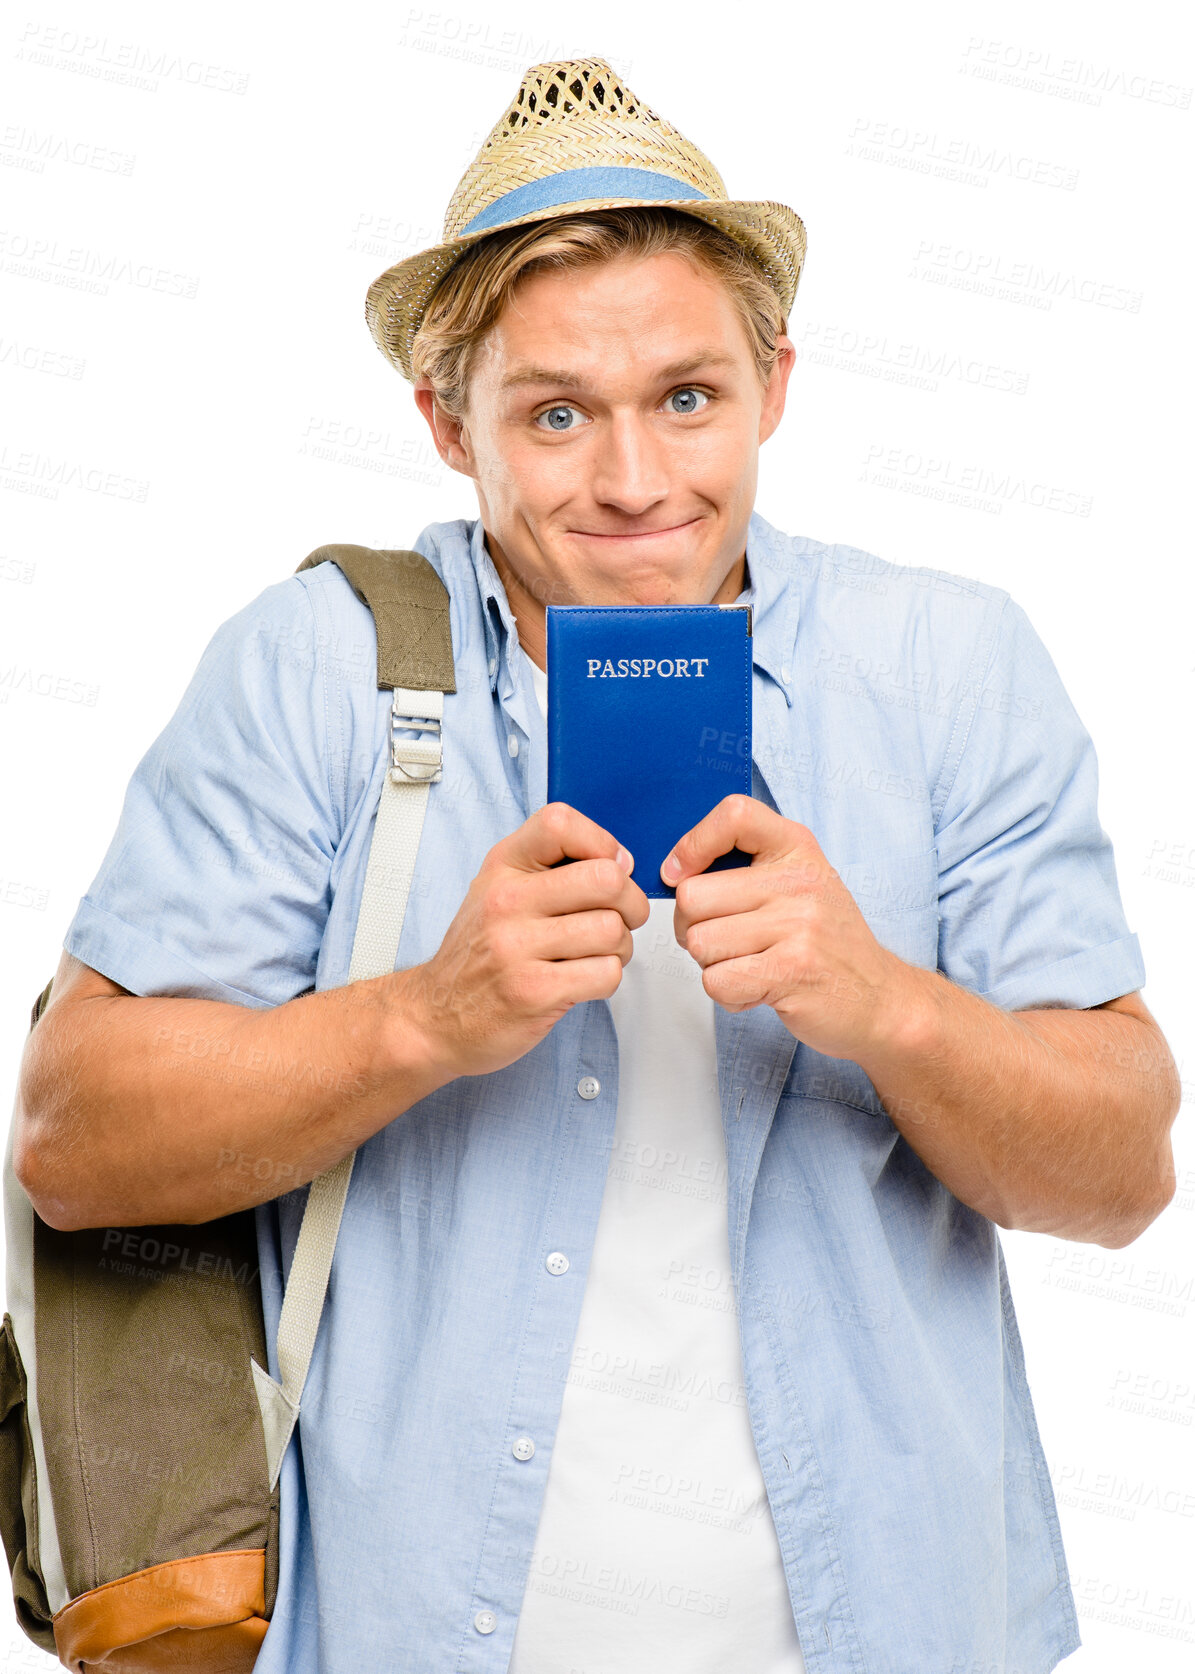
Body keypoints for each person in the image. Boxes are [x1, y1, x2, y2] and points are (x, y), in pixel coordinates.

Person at [15, 55, 1179, 1674]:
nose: (635, 482)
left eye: (688, 398)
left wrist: (883, 1002)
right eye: (556, 412)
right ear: (447, 422)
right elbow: (73, 1139)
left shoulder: (948, 667)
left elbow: (1125, 1172)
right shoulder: (318, 669)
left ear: (776, 383)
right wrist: (423, 1016)